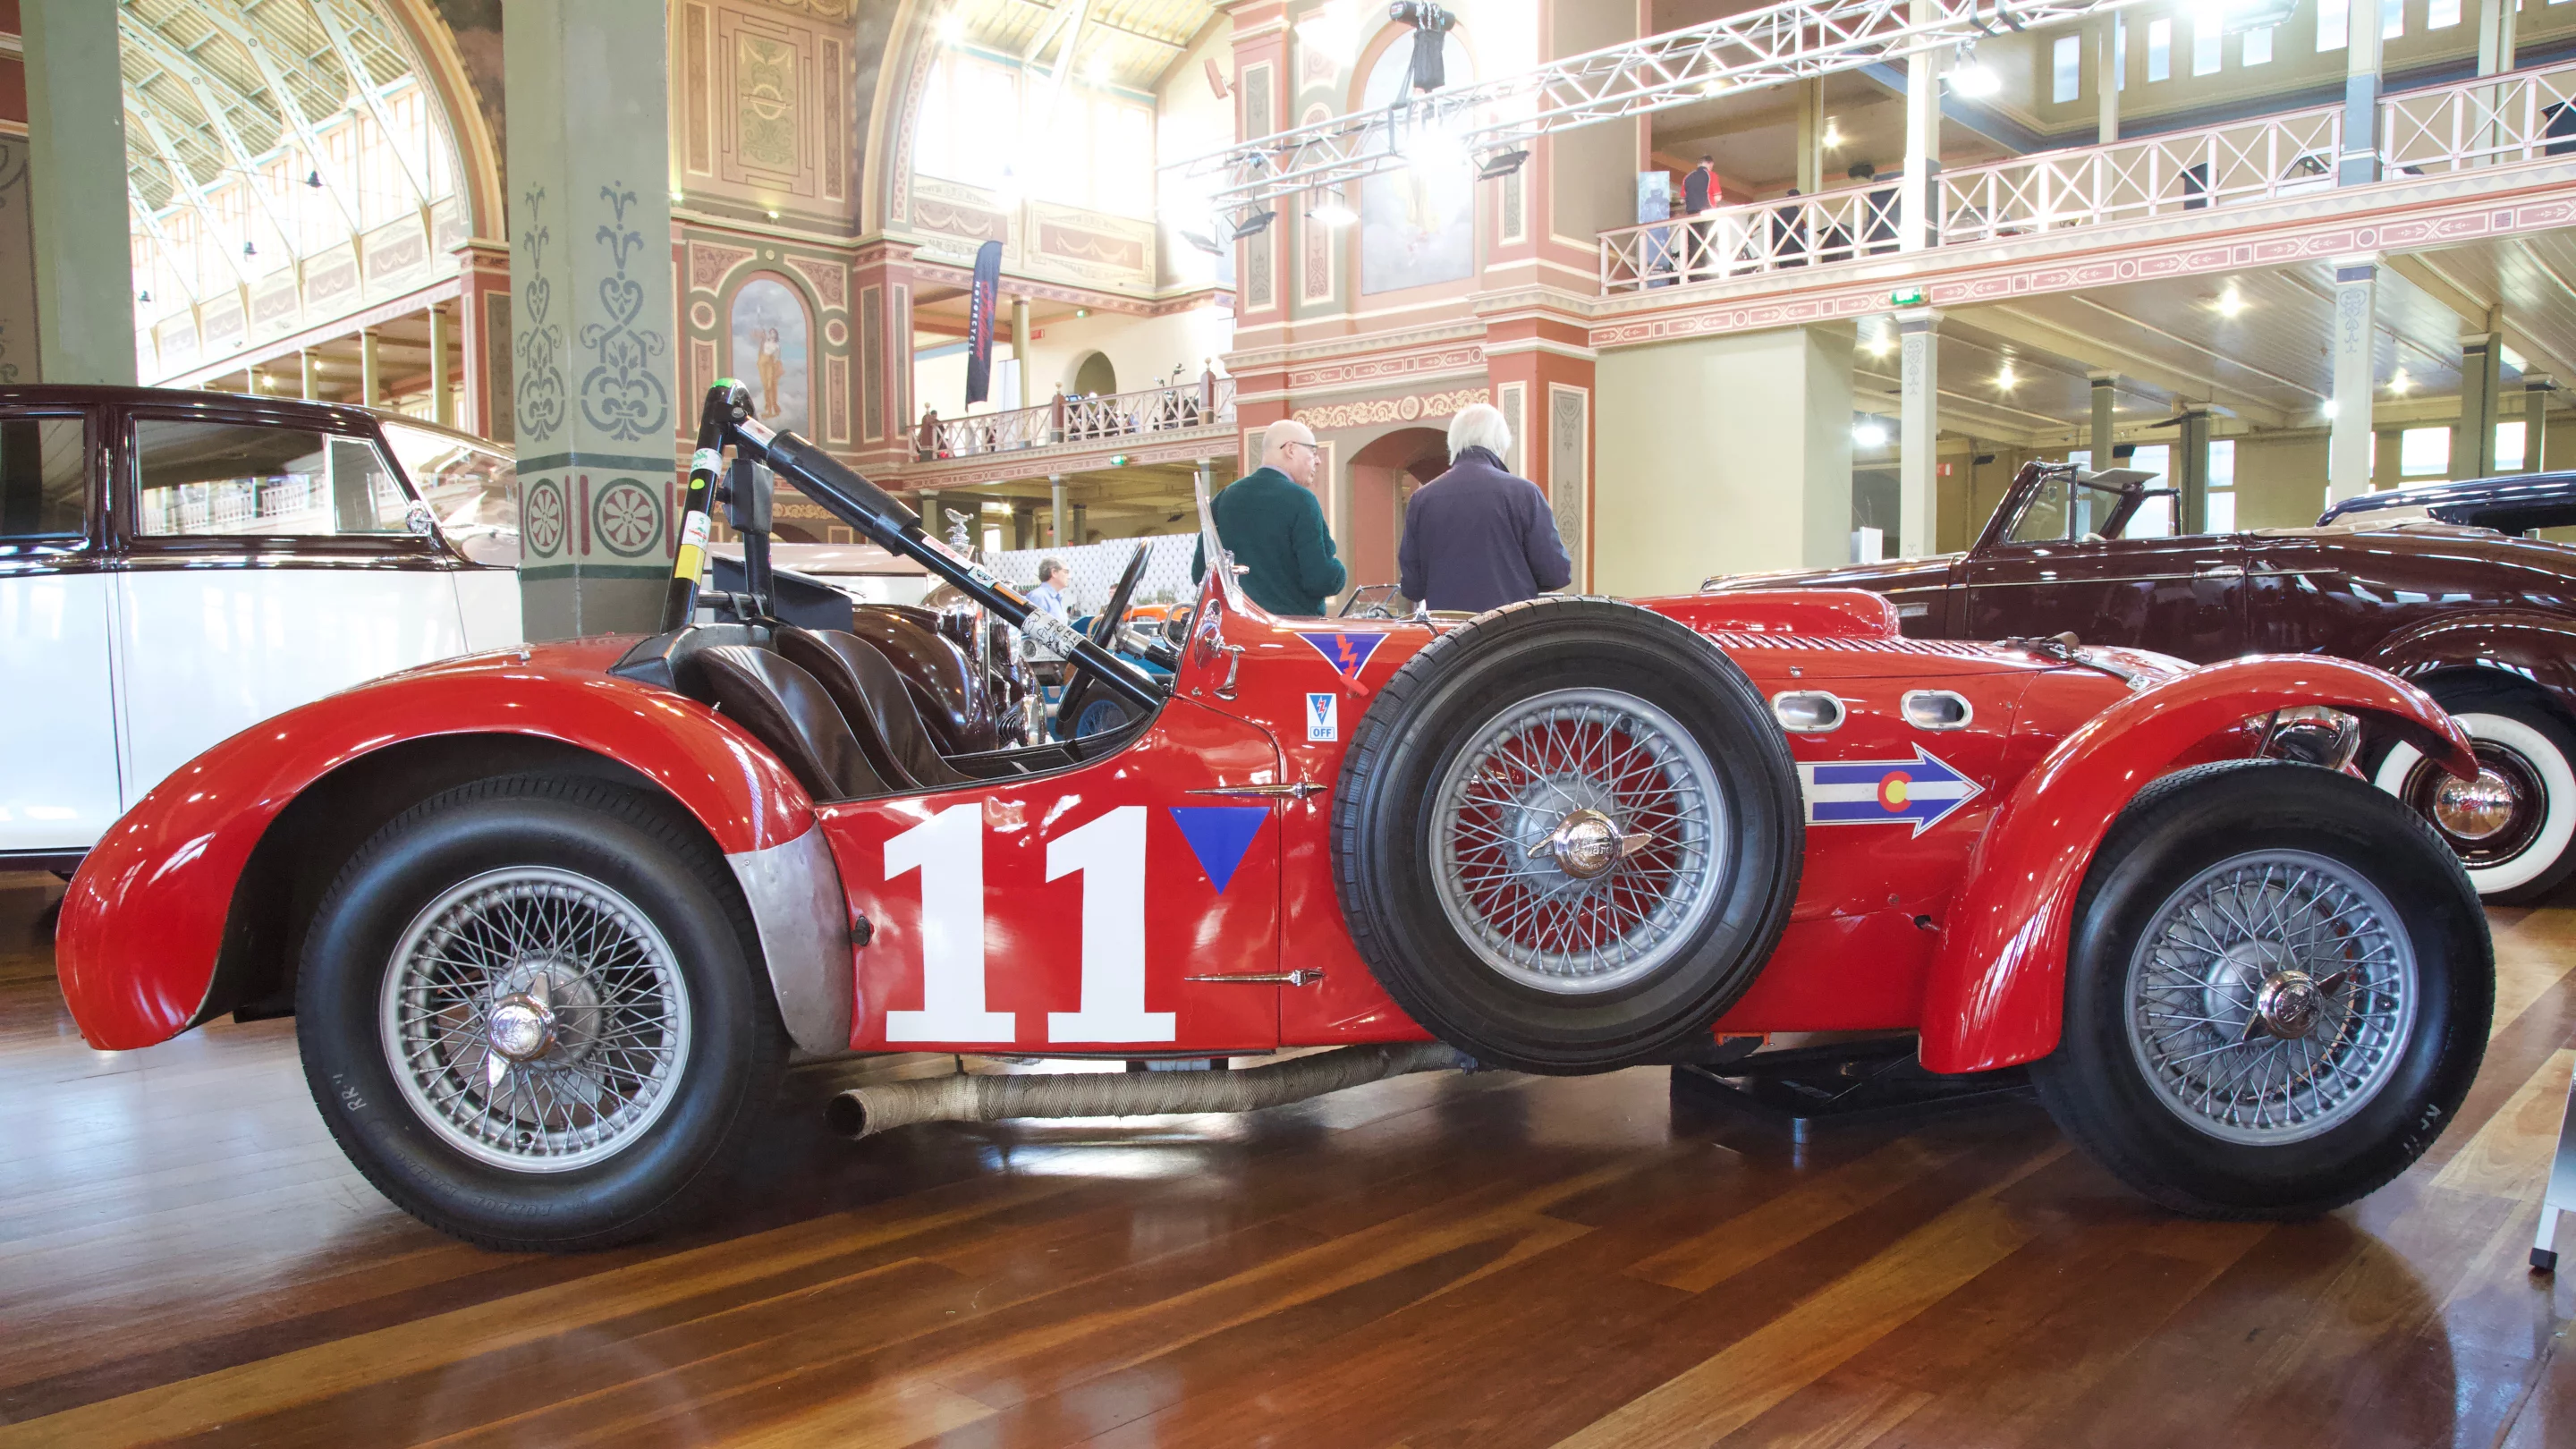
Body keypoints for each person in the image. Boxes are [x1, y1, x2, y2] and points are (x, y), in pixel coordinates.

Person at [1397, 403, 1572, 614]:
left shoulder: (1421, 499)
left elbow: (1412, 587)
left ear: (1453, 445)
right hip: (1507, 631)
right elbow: (1556, 573)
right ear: (1501, 445)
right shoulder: (1525, 494)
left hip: (1447, 638)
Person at [1191, 419, 1346, 615]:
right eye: (1313, 452)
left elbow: (1200, 573)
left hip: (1235, 630)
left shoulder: (1223, 499)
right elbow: (1319, 579)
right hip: (1289, 632)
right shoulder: (1302, 501)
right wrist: (1339, 572)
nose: (1318, 461)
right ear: (1290, 449)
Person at [1682, 156, 1716, 278]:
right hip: (1708, 212)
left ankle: (1694, 271)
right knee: (1709, 241)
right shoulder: (1711, 176)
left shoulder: (1687, 178)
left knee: (1693, 243)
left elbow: (1682, 199)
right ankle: (1709, 267)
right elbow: (1717, 197)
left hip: (1691, 214)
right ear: (1709, 164)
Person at [1028, 558, 1073, 623]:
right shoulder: (1039, 597)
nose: (1069, 577)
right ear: (1054, 572)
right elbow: (1033, 629)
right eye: (1066, 572)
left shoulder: (1056, 598)